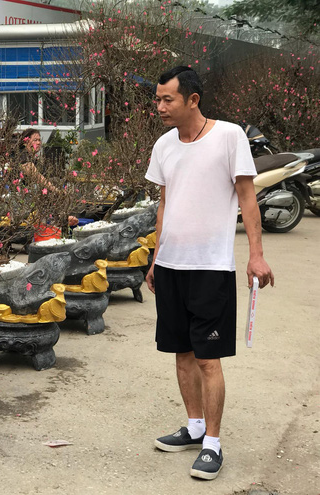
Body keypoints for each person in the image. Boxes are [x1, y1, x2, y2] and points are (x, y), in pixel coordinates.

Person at [144, 66, 274, 480]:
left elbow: (247, 199)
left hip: (210, 268)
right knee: (182, 353)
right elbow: (165, 204)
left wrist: (256, 255)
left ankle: (213, 444)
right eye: (157, 99)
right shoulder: (164, 145)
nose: (159, 107)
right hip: (171, 266)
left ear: (193, 99)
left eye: (167, 99)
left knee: (208, 359)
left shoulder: (229, 137)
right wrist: (155, 258)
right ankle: (195, 426)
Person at [17, 128, 78, 227]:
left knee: (56, 183)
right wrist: (56, 190)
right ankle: (60, 219)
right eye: (35, 140)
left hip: (33, 194)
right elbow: (37, 176)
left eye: (39, 140)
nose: (38, 142)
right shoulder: (22, 155)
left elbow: (47, 175)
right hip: (21, 196)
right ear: (26, 141)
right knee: (52, 187)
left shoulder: (35, 159)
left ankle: (61, 218)